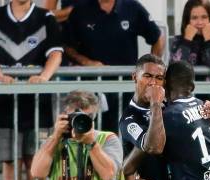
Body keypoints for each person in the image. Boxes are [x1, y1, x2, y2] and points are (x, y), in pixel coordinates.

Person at [0, 0, 63, 180]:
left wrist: (43, 77)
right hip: (5, 103)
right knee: (10, 164)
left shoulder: (46, 18)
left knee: (37, 163)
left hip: (38, 104)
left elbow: (56, 54)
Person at [64, 0, 165, 132]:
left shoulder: (132, 7)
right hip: (91, 90)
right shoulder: (79, 10)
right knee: (94, 134)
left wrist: (150, 72)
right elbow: (66, 46)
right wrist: (86, 62)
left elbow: (157, 38)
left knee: (128, 135)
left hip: (127, 89)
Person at [30, 90, 123, 180]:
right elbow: (36, 172)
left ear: (94, 116)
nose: (81, 121)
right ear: (65, 115)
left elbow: (108, 174)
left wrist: (91, 143)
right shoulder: (54, 143)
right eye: (75, 116)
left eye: (88, 116)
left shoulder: (107, 139)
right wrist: (55, 137)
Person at [170, 0, 210, 72]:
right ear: (187, 20)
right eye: (194, 18)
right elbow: (175, 69)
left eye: (204, 17)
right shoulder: (177, 41)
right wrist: (187, 40)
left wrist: (209, 40)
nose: (199, 22)